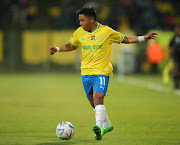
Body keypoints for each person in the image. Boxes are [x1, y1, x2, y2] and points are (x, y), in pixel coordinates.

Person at [49, 6, 157, 140]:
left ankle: (98, 129)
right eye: (80, 21)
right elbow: (72, 45)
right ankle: (108, 125)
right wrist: (58, 49)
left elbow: (126, 39)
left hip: (102, 71)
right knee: (93, 103)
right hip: (86, 73)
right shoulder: (79, 32)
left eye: (83, 20)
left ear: (92, 19)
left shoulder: (106, 31)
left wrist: (143, 38)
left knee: (98, 97)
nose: (80, 23)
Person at [169, 25, 180, 91]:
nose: (177, 31)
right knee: (176, 69)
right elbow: (170, 48)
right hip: (176, 56)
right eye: (176, 30)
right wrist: (170, 56)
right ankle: (176, 85)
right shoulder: (173, 39)